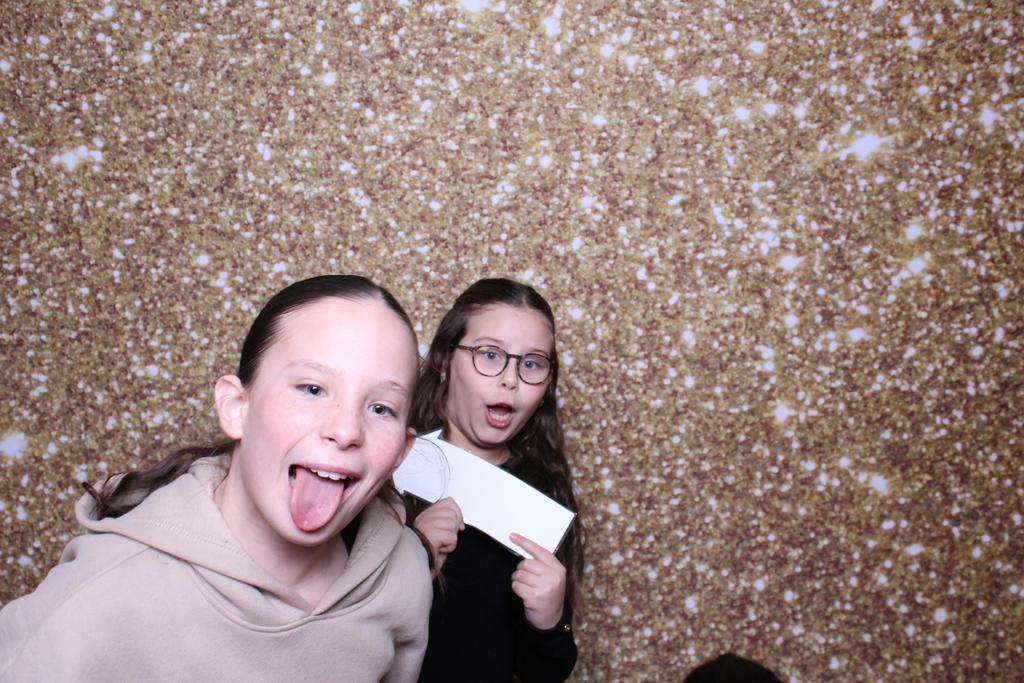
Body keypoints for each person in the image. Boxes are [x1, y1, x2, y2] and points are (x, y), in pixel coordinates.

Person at [0, 275, 433, 681]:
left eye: (381, 409)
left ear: (403, 449)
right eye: (313, 389)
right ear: (235, 407)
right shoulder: (102, 594)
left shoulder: (403, 573)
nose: (346, 430)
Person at [408, 278, 584, 682]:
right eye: (490, 355)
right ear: (444, 361)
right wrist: (408, 557)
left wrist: (549, 620)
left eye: (532, 363)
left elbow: (544, 672)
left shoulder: (542, 492)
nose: (510, 379)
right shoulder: (386, 470)